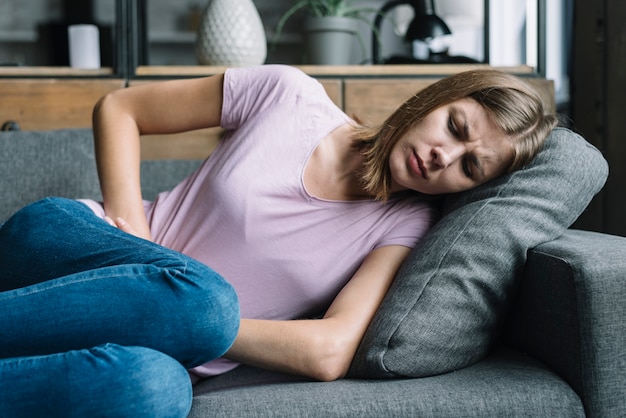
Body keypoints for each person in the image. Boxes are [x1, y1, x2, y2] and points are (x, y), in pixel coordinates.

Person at [0, 65, 556, 417]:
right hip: (69, 243)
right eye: (456, 128)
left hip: (155, 351)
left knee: (156, 392)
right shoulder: (289, 95)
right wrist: (139, 235)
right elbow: (122, 108)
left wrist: (193, 326)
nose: (444, 157)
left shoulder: (404, 227)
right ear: (437, 97)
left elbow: (330, 350)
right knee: (205, 300)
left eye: (470, 168)